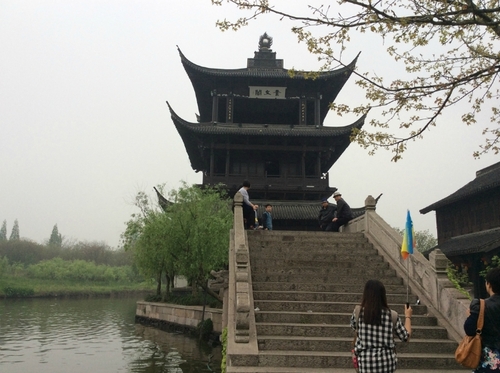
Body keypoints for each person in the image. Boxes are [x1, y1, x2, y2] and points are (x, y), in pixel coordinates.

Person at [350, 279, 412, 373]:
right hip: (387, 362)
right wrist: (408, 316)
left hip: (366, 363)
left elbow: (354, 326)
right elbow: (406, 337)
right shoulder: (392, 315)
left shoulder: (358, 312)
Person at [463, 267, 500, 372]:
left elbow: (469, 330)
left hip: (490, 357)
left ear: (489, 284)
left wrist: (470, 315)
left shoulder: (481, 305)